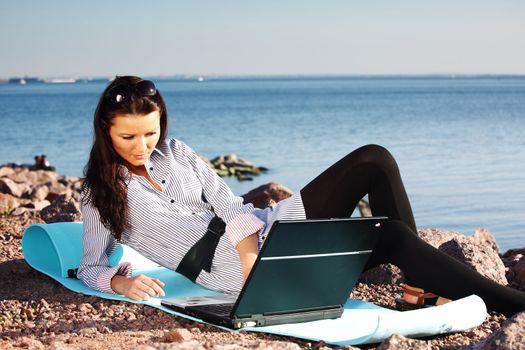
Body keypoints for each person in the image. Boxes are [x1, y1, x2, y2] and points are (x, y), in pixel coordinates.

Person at [78, 76, 525, 317]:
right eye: (128, 136)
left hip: (269, 235)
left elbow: (231, 206)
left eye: (150, 131)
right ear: (106, 130)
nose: (142, 145)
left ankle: (418, 289)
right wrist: (120, 282)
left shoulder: (177, 152)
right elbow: (91, 265)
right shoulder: (98, 194)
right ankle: (513, 306)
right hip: (228, 271)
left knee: (374, 159)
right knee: (387, 235)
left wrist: (257, 257)